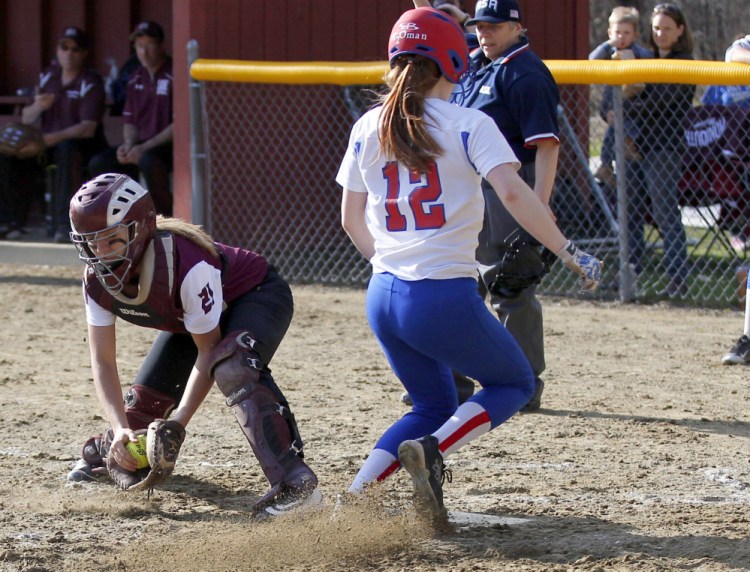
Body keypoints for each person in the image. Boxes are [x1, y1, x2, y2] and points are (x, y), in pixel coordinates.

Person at [336, 7, 601, 525]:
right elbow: (514, 193)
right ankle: (431, 451)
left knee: (429, 405)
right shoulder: (468, 122)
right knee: (514, 384)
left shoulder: (369, 122)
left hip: (383, 293)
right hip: (438, 295)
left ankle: (350, 503)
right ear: (453, 57)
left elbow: (350, 221)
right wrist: (569, 250)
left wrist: (393, 266)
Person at [65, 173, 321, 518]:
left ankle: (297, 485)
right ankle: (114, 448)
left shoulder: (184, 264)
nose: (100, 254)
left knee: (233, 366)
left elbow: (208, 352)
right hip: (192, 321)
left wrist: (179, 423)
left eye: (112, 240)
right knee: (138, 415)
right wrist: (119, 428)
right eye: (91, 243)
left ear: (140, 229)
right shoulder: (94, 279)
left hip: (255, 295)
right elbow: (103, 362)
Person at [0, 26, 107, 242]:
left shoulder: (90, 81)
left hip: (81, 146)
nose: (69, 53)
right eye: (64, 47)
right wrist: (38, 107)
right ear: (58, 51)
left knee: (67, 151)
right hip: (47, 146)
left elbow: (87, 128)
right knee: (8, 155)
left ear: (84, 53)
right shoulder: (48, 77)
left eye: (75, 49)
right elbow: (27, 118)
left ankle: (64, 225)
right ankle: (10, 222)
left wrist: (43, 141)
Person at [626, 3, 696, 298]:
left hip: (664, 148)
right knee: (629, 211)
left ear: (680, 30)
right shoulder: (644, 57)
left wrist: (629, 105)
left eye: (667, 28)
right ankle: (629, 276)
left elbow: (662, 104)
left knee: (664, 212)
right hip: (636, 146)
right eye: (656, 28)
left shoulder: (685, 62)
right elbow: (616, 93)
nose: (661, 33)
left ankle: (677, 279)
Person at [87, 21, 174, 216]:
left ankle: (164, 220)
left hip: (169, 145)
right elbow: (130, 120)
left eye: (149, 45)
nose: (143, 52)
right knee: (100, 162)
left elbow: (180, 124)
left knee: (148, 161)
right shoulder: (135, 78)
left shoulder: (174, 73)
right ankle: (121, 217)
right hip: (141, 145)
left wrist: (144, 147)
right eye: (139, 46)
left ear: (161, 45)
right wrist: (128, 145)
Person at [589, 6, 652, 188]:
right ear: (610, 32)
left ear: (634, 35)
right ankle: (606, 164)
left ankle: (627, 145)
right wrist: (608, 44)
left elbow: (650, 59)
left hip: (632, 104)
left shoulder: (639, 53)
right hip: (611, 102)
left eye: (626, 33)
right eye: (617, 32)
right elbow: (591, 60)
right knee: (612, 127)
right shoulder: (609, 51)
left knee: (625, 123)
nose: (621, 37)